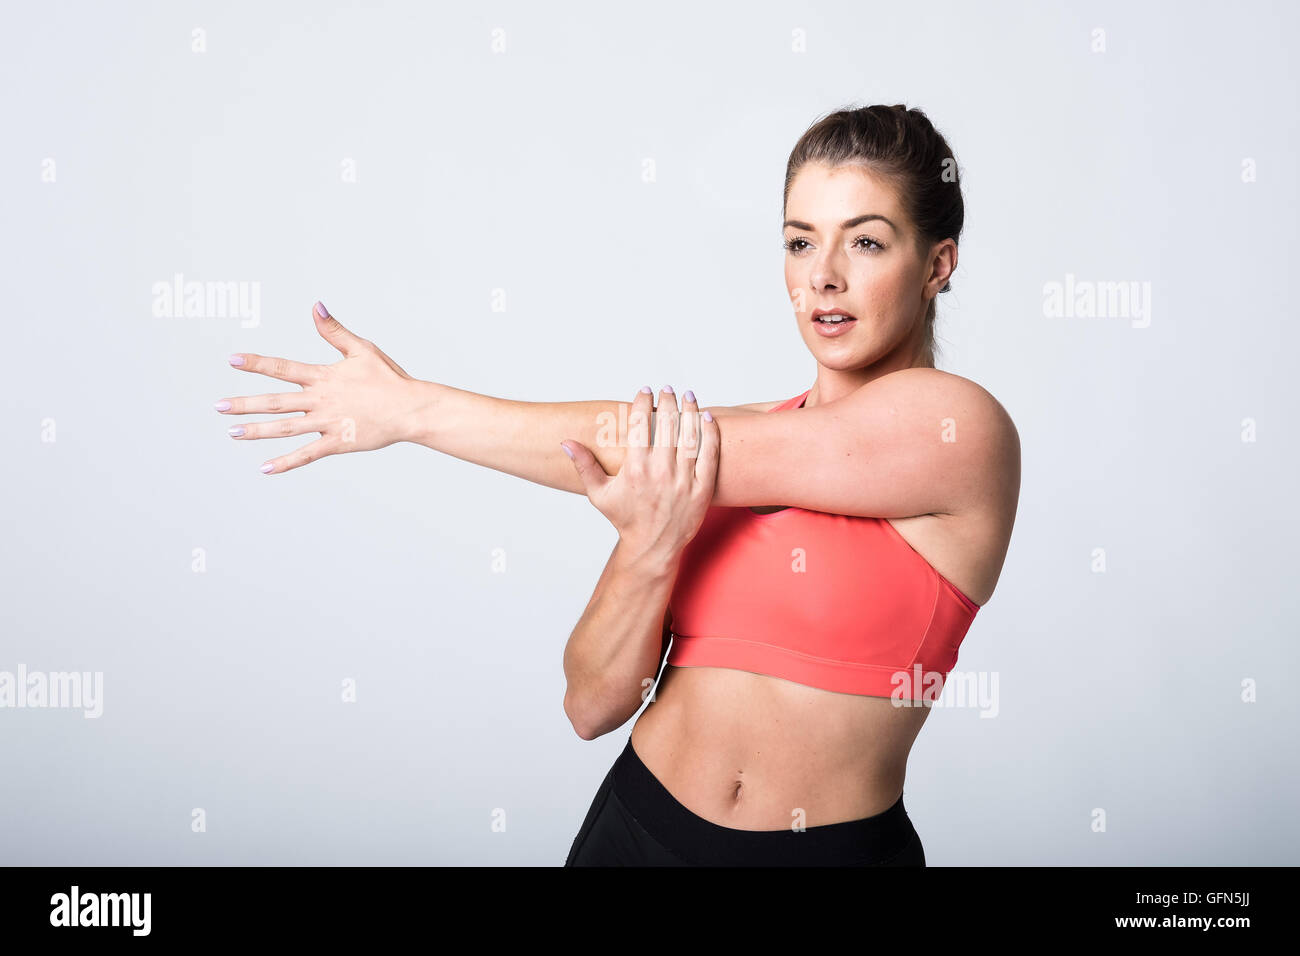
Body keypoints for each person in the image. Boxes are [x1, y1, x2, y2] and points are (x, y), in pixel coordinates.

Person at [216, 104, 1021, 867]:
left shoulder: (958, 432)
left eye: (868, 243)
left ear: (937, 264)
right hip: (634, 832)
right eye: (801, 243)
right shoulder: (716, 454)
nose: (825, 278)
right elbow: (590, 706)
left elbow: (633, 443)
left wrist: (414, 410)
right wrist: (652, 540)